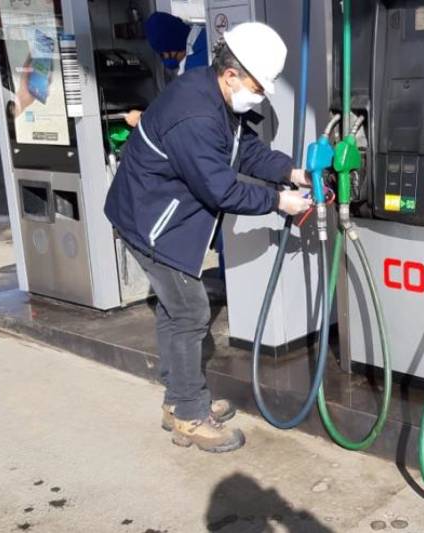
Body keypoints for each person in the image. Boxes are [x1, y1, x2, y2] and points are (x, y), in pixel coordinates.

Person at [104, 22, 312, 454]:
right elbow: (222, 188)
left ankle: (178, 400)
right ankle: (189, 416)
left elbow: (246, 151)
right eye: (258, 85)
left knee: (175, 311)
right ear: (231, 74)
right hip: (150, 222)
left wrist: (292, 172)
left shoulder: (214, 96)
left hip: (159, 214)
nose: (261, 94)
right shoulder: (196, 114)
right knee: (191, 311)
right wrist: (280, 201)